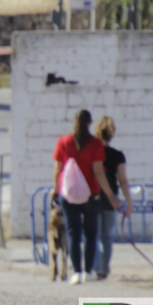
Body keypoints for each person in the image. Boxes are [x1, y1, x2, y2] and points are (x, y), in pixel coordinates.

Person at [53, 109, 121, 285]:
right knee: (91, 233)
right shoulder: (96, 144)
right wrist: (111, 195)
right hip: (92, 194)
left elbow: (58, 169)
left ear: (74, 122)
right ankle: (88, 271)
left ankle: (76, 272)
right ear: (90, 124)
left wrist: (55, 189)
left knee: (73, 233)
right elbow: (99, 171)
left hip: (68, 194)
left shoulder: (63, 142)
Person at [92, 116, 132, 280]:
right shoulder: (118, 155)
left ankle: (95, 267)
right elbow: (122, 180)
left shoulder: (91, 154)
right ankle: (104, 269)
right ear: (112, 134)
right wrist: (129, 202)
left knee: (92, 235)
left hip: (91, 197)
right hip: (111, 200)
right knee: (106, 236)